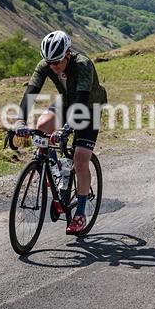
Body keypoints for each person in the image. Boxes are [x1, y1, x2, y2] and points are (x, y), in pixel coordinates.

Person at [14, 30, 108, 235]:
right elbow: (31, 92)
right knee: (42, 126)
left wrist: (67, 128)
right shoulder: (46, 65)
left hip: (89, 107)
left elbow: (82, 99)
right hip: (65, 103)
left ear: (67, 54)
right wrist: (20, 121)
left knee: (80, 160)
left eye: (57, 62)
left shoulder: (83, 64)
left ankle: (80, 213)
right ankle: (53, 168)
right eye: (49, 62)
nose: (53, 67)